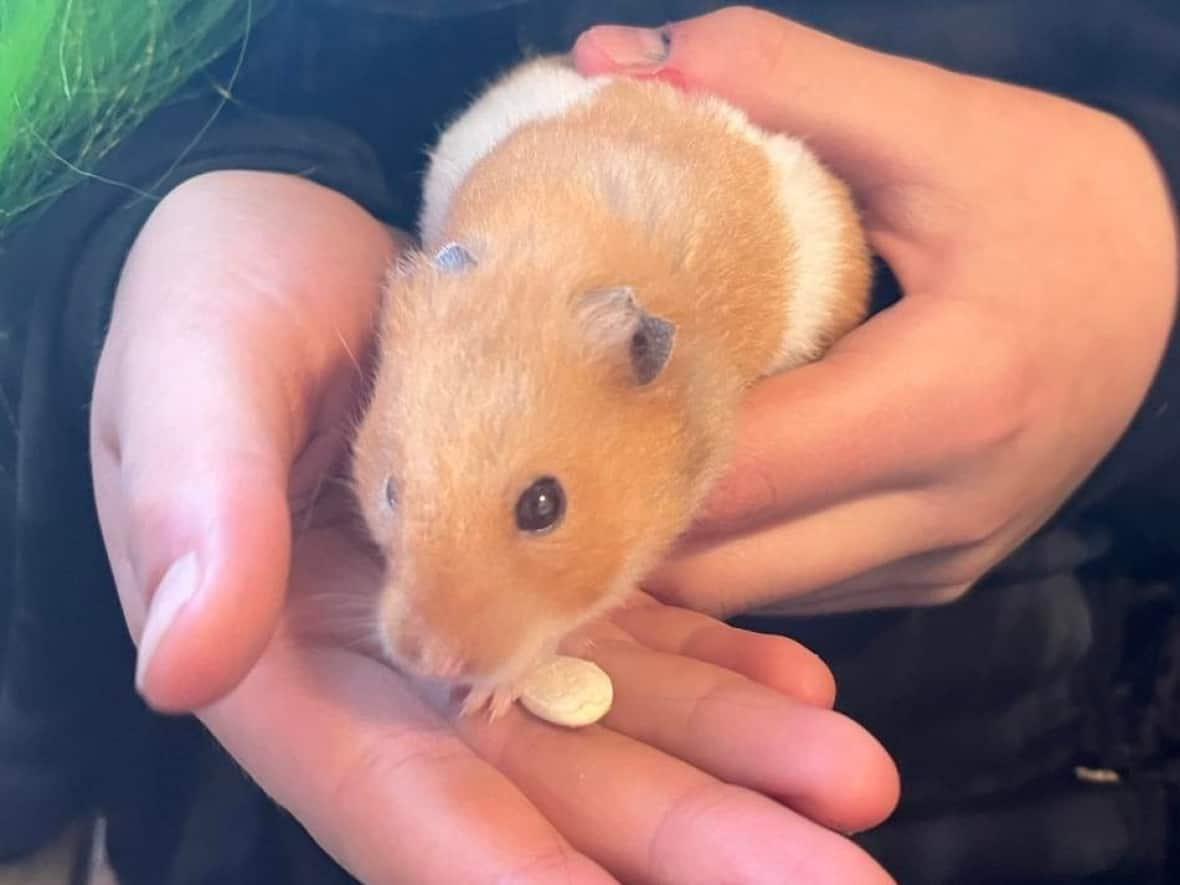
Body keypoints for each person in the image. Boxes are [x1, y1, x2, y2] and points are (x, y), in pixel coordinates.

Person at [1, 2, 1176, 883]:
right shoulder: (441, 281)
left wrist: (1144, 273)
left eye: (538, 508)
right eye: (397, 491)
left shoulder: (663, 342)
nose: (426, 637)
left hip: (1048, 734)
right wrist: (140, 236)